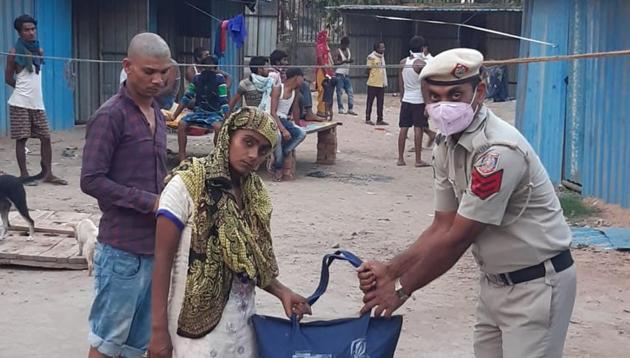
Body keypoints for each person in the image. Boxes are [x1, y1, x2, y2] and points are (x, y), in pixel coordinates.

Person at [357, 49, 576, 358]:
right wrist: (390, 270)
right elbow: (442, 225)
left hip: (536, 285)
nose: (444, 105)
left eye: (456, 94)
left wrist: (401, 289)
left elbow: (459, 237)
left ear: (480, 92)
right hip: (494, 284)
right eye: (434, 96)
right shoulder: (446, 145)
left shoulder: (497, 153)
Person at [147, 107, 311, 358]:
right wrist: (158, 332)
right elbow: (161, 262)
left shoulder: (254, 193)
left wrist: (282, 292)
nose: (253, 155)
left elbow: (251, 262)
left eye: (263, 150)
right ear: (227, 135)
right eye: (248, 142)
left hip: (243, 327)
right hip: (196, 333)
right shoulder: (188, 183)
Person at [80, 32, 172, 358]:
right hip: (121, 251)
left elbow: (155, 175)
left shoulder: (158, 114)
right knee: (108, 341)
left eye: (164, 72)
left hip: (154, 248)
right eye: (149, 72)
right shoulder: (111, 115)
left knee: (137, 345)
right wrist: (149, 201)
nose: (158, 80)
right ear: (127, 66)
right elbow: (91, 180)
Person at [4, 14, 66, 185]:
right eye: (26, 30)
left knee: (45, 137)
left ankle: (47, 174)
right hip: (20, 103)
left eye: (33, 29)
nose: (31, 33)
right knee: (21, 138)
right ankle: (24, 175)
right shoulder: (14, 53)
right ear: (19, 32)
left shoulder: (39, 51)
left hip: (37, 103)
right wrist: (23, 91)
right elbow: (8, 78)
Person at [172, 55, 229, 162]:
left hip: (214, 113)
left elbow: (223, 101)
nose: (208, 71)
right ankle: (182, 157)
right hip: (199, 112)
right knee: (182, 124)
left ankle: (218, 158)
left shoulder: (220, 80)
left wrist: (227, 118)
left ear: (215, 69)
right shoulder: (197, 78)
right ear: (202, 68)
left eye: (211, 69)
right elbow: (187, 97)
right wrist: (175, 115)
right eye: (206, 68)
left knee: (218, 128)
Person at [397, 36, 436, 167]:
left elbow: (400, 82)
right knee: (418, 128)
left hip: (406, 99)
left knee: (403, 128)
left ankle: (400, 159)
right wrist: (427, 104)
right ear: (422, 48)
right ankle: (418, 160)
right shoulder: (421, 64)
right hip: (418, 100)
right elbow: (424, 86)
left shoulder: (403, 62)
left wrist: (402, 97)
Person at [270, 68, 307, 181]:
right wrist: (283, 129)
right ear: (297, 77)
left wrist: (297, 125)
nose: (303, 80)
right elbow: (272, 112)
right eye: (302, 77)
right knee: (279, 137)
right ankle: (278, 168)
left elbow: (295, 109)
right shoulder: (278, 89)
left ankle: (285, 151)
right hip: (272, 119)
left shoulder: (295, 92)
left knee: (301, 133)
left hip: (285, 120)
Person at [268, 49, 320, 122]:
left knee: (304, 85)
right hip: (279, 94)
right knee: (298, 96)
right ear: (277, 62)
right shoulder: (272, 73)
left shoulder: (282, 70)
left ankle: (309, 113)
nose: (287, 62)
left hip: (286, 89)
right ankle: (297, 114)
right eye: (284, 60)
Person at [365, 41, 388, 126]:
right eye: (381, 47)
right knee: (370, 102)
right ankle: (367, 118)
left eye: (384, 47)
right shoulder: (371, 57)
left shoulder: (382, 57)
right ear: (377, 48)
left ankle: (380, 119)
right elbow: (367, 70)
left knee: (380, 102)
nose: (383, 49)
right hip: (373, 83)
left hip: (381, 83)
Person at [333, 36, 356, 115]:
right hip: (339, 74)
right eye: (345, 45)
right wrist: (344, 61)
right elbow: (335, 63)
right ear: (342, 44)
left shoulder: (348, 50)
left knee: (350, 92)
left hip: (346, 74)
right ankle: (341, 108)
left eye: (347, 45)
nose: (346, 47)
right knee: (339, 92)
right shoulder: (337, 51)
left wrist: (350, 61)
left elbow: (348, 60)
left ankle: (350, 108)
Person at [315, 29, 335, 118]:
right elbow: (320, 59)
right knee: (322, 89)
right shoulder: (320, 46)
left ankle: (325, 110)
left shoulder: (326, 47)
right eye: (327, 36)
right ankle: (320, 110)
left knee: (327, 90)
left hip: (327, 69)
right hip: (321, 70)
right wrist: (325, 71)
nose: (329, 37)